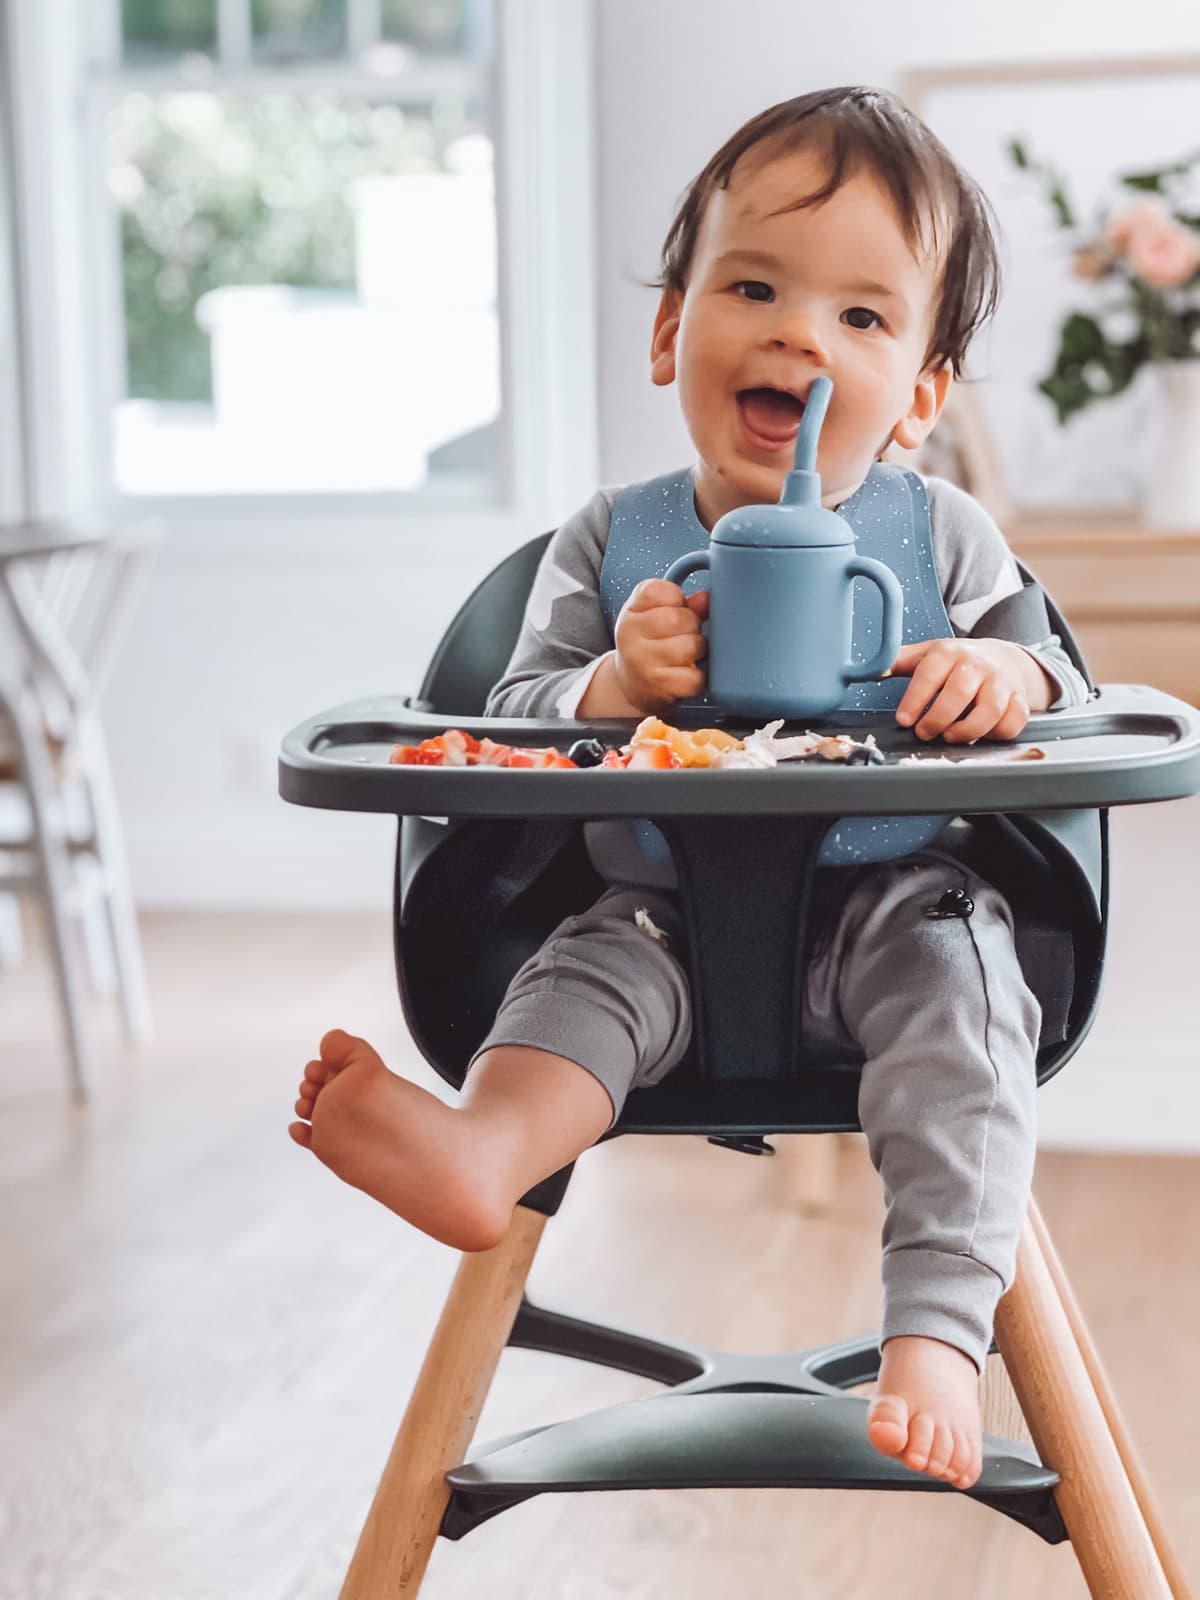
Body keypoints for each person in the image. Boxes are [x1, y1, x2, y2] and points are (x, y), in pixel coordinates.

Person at [288, 86, 1089, 1493]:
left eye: (862, 314)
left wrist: (999, 675)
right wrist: (610, 686)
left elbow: (1064, 693)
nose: (800, 335)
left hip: (898, 907)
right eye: (755, 287)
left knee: (971, 1009)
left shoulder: (944, 531)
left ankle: (938, 1332)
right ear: (671, 330)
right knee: (571, 980)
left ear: (922, 394)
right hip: (654, 913)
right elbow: (506, 721)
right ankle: (484, 1152)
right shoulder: (614, 541)